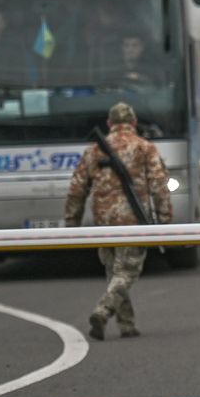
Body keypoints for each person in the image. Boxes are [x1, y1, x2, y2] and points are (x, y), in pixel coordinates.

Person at [64, 102, 172, 340]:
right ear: (134, 123)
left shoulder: (93, 151)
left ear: (109, 124)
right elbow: (159, 186)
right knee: (128, 271)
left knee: (114, 272)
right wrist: (166, 222)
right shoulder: (145, 148)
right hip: (133, 221)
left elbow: (76, 189)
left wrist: (71, 223)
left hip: (104, 223)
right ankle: (102, 311)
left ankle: (127, 324)